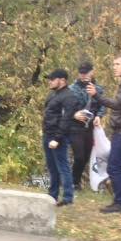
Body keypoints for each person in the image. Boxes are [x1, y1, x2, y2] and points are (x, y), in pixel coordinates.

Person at [87, 52, 121, 213]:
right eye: (113, 64)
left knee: (114, 167)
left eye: (117, 64)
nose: (114, 67)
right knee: (119, 166)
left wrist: (96, 95)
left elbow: (118, 104)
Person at [42, 69, 81, 207]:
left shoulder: (68, 96)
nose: (50, 81)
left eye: (52, 79)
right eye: (49, 79)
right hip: (48, 134)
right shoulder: (53, 94)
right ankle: (52, 195)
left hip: (58, 137)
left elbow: (66, 120)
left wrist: (57, 138)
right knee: (52, 167)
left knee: (63, 167)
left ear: (62, 80)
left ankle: (68, 197)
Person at [68, 62, 105, 190]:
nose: (83, 75)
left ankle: (75, 182)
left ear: (92, 72)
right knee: (79, 156)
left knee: (86, 156)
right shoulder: (71, 89)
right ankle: (73, 183)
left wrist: (99, 116)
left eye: (86, 73)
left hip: (90, 128)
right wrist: (74, 115)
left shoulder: (98, 89)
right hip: (75, 127)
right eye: (81, 73)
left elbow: (102, 105)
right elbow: (64, 108)